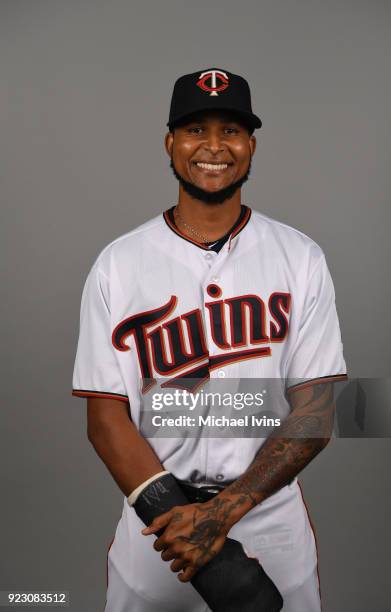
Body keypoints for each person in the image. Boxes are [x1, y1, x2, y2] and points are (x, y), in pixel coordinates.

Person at [72, 68, 348, 611]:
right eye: (197, 129)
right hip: (158, 526)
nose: (214, 146)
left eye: (232, 130)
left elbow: (315, 416)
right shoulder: (118, 264)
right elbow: (105, 420)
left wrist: (221, 516)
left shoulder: (301, 257)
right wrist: (177, 519)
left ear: (251, 145)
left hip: (268, 521)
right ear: (171, 142)